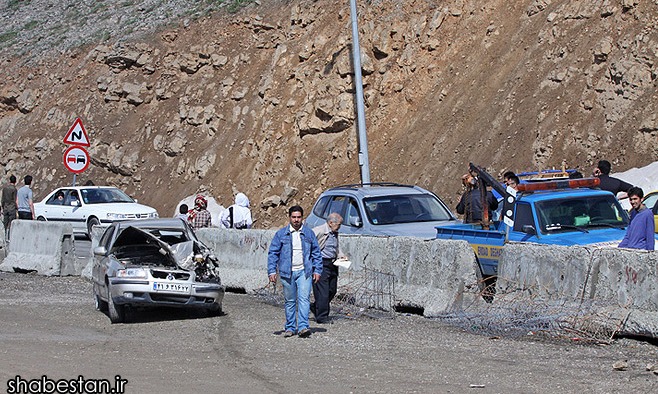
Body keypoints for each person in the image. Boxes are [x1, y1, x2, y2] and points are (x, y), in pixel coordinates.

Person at [267, 205, 322, 338]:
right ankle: (290, 327)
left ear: (302, 218)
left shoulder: (309, 233)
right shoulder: (281, 234)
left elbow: (316, 252)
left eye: (298, 217)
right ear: (289, 218)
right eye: (294, 217)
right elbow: (273, 253)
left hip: (305, 271)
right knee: (290, 301)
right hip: (287, 272)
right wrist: (271, 271)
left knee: (304, 299)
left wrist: (317, 270)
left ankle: (303, 327)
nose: (296, 220)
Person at [311, 213, 347, 324]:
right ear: (331, 223)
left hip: (333, 263)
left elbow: (335, 246)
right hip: (321, 263)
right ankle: (322, 316)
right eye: (338, 224)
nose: (339, 227)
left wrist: (341, 255)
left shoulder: (334, 233)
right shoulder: (319, 230)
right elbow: (309, 242)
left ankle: (316, 307)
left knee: (332, 289)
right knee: (323, 292)